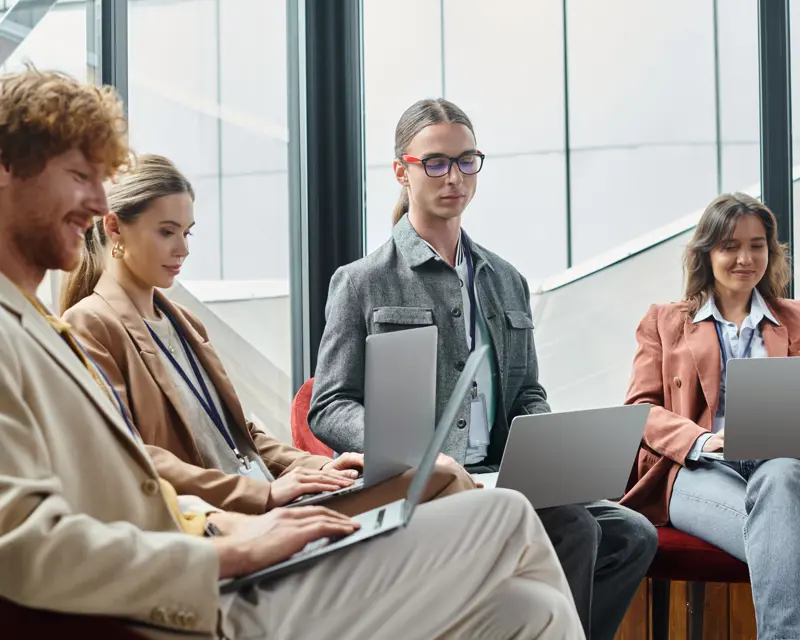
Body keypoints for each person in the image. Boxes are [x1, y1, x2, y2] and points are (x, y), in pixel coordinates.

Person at [0, 67, 585, 639]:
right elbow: (29, 540)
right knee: (501, 513)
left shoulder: (61, 328)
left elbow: (179, 462)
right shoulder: (49, 332)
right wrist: (228, 546)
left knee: (530, 608)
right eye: (80, 175)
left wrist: (259, 503)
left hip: (228, 541)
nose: (100, 200)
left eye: (188, 231)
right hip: (203, 596)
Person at [308, 97, 657, 640]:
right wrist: (415, 451)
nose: (455, 177)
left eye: (467, 161)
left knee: (631, 535)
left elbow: (527, 392)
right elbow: (328, 405)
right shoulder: (362, 281)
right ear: (402, 170)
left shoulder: (506, 279)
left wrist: (544, 445)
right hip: (422, 483)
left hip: (502, 473)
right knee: (572, 529)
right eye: (437, 162)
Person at [60, 153, 476, 517]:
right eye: (166, 232)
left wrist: (316, 468)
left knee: (450, 481)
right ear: (114, 229)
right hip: (237, 513)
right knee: (444, 480)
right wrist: (263, 494)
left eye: (186, 233)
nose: (183, 249)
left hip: (273, 497)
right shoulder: (91, 324)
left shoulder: (183, 323)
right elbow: (131, 456)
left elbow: (242, 433)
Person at [622, 192, 800, 640]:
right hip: (695, 467)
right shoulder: (663, 321)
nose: (745, 258)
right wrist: (701, 441)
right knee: (780, 534)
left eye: (757, 245)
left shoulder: (795, 320)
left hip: (780, 464)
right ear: (707, 253)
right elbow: (640, 409)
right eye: (730, 246)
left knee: (780, 478)